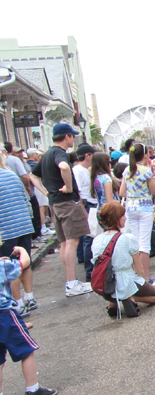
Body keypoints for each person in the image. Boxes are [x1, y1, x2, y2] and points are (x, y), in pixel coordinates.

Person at [29, 123, 93, 297]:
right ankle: (72, 283)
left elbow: (33, 175)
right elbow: (64, 167)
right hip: (66, 202)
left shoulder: (47, 154)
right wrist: (68, 186)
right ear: (66, 137)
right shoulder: (59, 153)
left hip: (55, 203)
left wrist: (45, 191)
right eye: (72, 136)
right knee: (72, 242)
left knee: (64, 243)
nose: (73, 139)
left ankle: (70, 281)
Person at [0, 241, 56, 395]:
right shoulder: (4, 266)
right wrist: (22, 250)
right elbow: (24, 263)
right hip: (5, 315)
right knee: (26, 350)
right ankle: (33, 389)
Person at [91, 202, 155, 318]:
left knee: (115, 290)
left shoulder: (96, 240)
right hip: (126, 279)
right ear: (116, 219)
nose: (125, 218)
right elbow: (138, 267)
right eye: (122, 215)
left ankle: (113, 302)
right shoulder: (127, 238)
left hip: (105, 284)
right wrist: (143, 282)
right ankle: (130, 298)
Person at [0, 156, 37, 318]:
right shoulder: (12, 175)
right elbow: (25, 199)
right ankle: (29, 297)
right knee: (24, 262)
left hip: (5, 229)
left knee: (9, 267)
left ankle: (18, 303)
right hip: (23, 223)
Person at [119, 144, 155, 279]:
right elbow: (154, 191)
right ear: (145, 155)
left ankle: (137, 275)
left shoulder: (127, 170)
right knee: (144, 244)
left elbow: (122, 192)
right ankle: (145, 277)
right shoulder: (146, 171)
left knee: (135, 242)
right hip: (145, 207)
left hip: (131, 207)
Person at [73, 143, 97, 282]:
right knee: (89, 237)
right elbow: (78, 193)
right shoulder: (78, 171)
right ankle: (89, 271)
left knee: (90, 237)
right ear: (87, 156)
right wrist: (84, 212)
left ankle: (91, 268)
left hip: (90, 204)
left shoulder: (85, 170)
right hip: (87, 205)